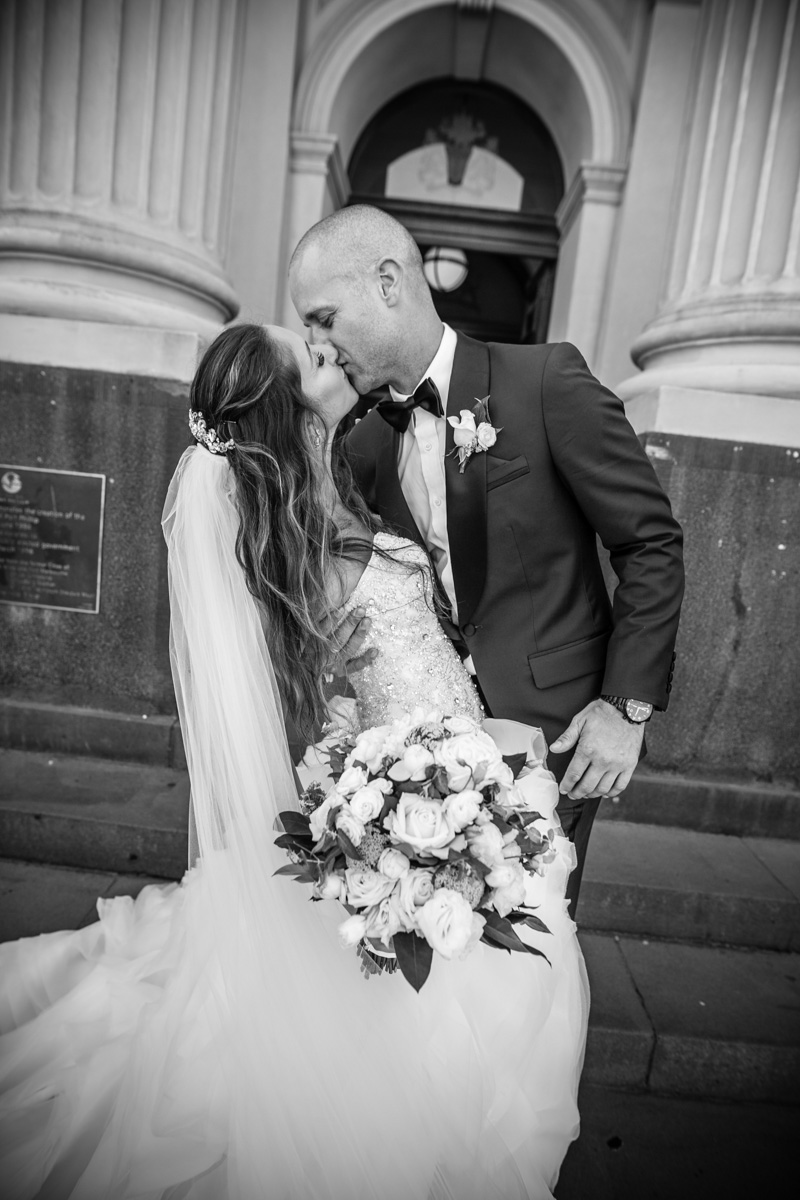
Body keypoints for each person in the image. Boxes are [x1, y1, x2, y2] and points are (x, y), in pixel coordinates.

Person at [0, 323, 588, 1200]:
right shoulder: (305, 545)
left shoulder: (326, 492)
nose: (331, 351)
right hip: (431, 782)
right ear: (290, 413)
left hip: (455, 762)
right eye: (313, 356)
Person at [289, 204, 685, 910]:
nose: (317, 344)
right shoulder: (362, 447)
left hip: (557, 740)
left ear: (387, 282)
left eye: (323, 318)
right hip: (421, 759)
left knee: (539, 936)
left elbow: (649, 541)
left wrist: (626, 709)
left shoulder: (545, 381)